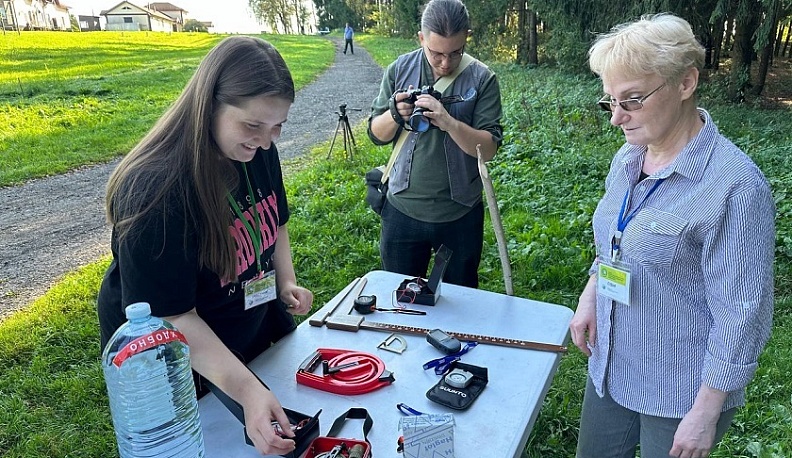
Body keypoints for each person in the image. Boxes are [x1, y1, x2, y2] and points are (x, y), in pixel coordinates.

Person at [569, 13, 775, 458]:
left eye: (633, 100)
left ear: (685, 83)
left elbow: (743, 313)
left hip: (680, 389)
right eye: (610, 101)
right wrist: (591, 296)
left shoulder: (735, 187)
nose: (616, 118)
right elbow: (614, 240)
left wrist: (706, 412)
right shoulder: (628, 158)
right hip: (611, 361)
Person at [97, 36, 314, 456]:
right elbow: (172, 315)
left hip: (249, 318)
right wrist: (247, 390)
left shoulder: (256, 148)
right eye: (253, 126)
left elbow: (276, 220)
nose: (266, 142)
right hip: (179, 355)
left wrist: (284, 278)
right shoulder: (154, 191)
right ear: (209, 104)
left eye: (277, 126)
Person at [367, 0, 503, 288]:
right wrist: (395, 113)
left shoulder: (482, 79)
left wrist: (450, 122)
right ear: (421, 38)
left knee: (460, 299)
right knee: (400, 297)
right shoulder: (399, 69)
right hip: (401, 209)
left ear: (467, 37)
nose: (445, 63)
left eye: (456, 53)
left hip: (459, 214)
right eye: (436, 53)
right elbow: (376, 135)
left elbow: (488, 149)